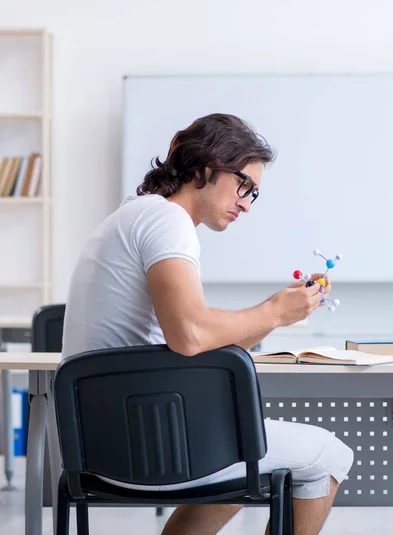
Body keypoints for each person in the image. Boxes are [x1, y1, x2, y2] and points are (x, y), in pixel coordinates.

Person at [61, 113, 354, 535]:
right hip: (151, 445)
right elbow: (189, 334)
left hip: (99, 446)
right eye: (244, 186)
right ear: (204, 167)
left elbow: (197, 338)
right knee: (329, 455)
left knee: (236, 465)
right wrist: (272, 311)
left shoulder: (137, 216)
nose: (247, 204)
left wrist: (277, 312)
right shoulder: (168, 222)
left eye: (254, 194)